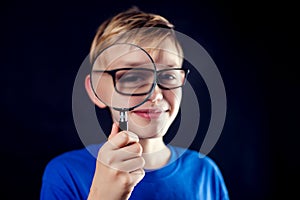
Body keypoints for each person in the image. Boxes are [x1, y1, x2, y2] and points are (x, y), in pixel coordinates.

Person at [40, 6, 230, 200]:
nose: (155, 95)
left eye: (169, 75)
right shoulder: (66, 174)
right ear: (97, 91)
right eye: (132, 77)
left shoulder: (205, 173)